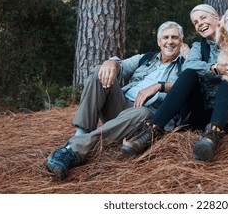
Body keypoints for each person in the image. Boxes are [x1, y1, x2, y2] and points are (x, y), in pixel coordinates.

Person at [120, 4, 228, 161]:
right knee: (189, 74)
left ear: (217, 19)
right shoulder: (198, 47)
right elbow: (190, 65)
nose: (199, 24)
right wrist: (216, 68)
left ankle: (211, 137)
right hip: (197, 111)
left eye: (203, 18)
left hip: (225, 114)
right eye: (195, 22)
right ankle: (150, 132)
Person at [45, 21, 186, 180]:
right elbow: (121, 66)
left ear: (181, 42)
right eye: (165, 37)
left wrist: (158, 86)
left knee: (143, 112)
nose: (170, 41)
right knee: (100, 71)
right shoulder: (146, 58)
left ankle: (73, 150)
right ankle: (81, 134)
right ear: (159, 41)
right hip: (121, 106)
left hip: (145, 118)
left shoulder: (185, 66)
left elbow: (188, 88)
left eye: (175, 37)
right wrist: (111, 62)